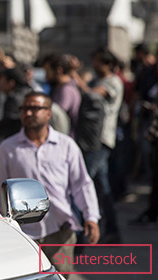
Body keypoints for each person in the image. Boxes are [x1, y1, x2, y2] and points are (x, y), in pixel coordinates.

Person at [0, 92, 100, 277]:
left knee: (61, 276)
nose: (29, 113)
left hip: (60, 233)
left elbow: (82, 184)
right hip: (22, 235)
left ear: (48, 113)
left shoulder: (66, 146)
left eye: (35, 108)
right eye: (25, 108)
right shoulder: (8, 148)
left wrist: (91, 217)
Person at [72, 47, 123, 242]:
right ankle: (112, 229)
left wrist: (73, 75)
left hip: (101, 139)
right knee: (103, 186)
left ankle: (80, 236)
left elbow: (91, 95)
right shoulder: (98, 79)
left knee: (83, 182)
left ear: (108, 63)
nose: (94, 65)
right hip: (93, 138)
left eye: (97, 62)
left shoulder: (113, 82)